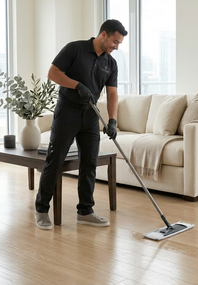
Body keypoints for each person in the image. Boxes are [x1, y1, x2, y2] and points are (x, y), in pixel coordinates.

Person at [34, 19, 127, 230]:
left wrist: (112, 120)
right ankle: (41, 210)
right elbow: (53, 73)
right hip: (67, 113)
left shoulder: (110, 63)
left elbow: (112, 94)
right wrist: (77, 85)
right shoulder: (74, 49)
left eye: (119, 43)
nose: (116, 47)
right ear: (103, 34)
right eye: (115, 41)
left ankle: (85, 211)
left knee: (89, 163)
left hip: (91, 117)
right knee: (55, 160)